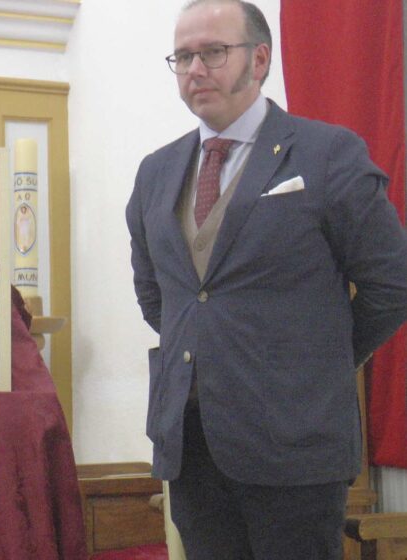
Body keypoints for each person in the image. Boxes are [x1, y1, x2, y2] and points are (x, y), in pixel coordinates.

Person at [125, 2, 407, 558]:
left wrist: (317, 359)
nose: (195, 69)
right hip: (192, 444)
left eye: (213, 52)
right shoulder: (156, 172)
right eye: (183, 57)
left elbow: (392, 284)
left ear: (259, 59)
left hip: (295, 443)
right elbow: (158, 294)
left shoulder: (327, 154)